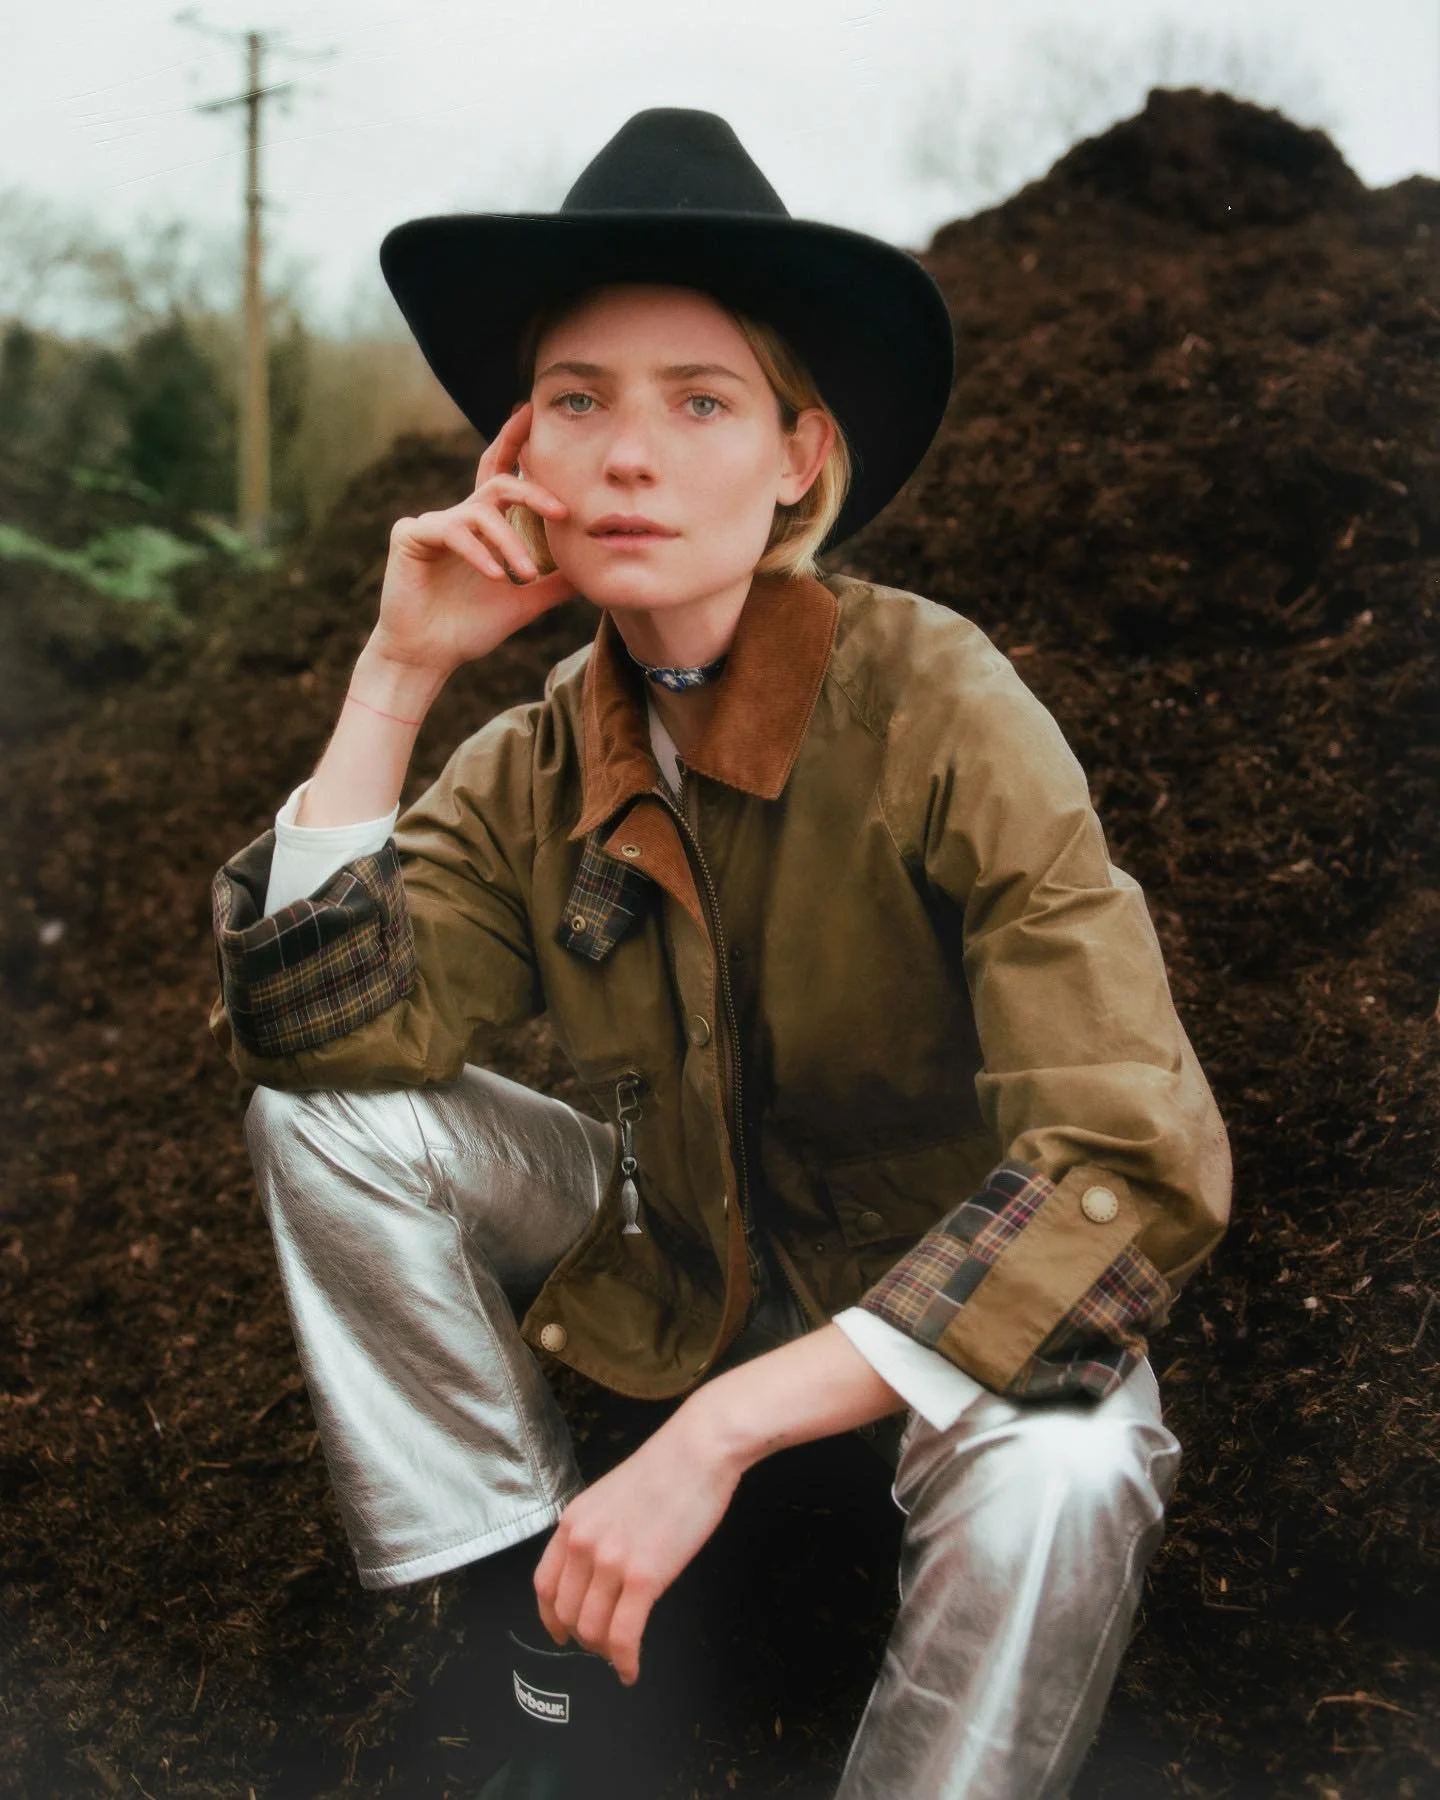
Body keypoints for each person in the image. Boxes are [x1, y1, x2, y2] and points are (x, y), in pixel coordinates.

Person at [209, 109, 1231, 1800]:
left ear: (799, 458)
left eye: (700, 402)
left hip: (935, 1315)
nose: (628, 457)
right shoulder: (541, 754)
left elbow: (1125, 1166)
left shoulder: (939, 705)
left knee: (1070, 1468)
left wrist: (718, 1433)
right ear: (519, 455)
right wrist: (397, 675)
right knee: (326, 1123)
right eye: (577, 400)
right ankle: (528, 1636)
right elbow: (318, 1039)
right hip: (675, 1262)